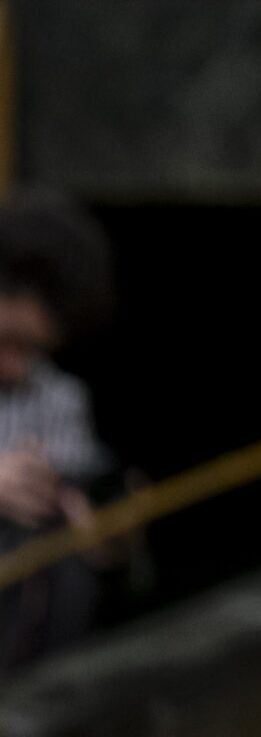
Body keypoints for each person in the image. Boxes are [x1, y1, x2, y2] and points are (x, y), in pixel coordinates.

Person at [0, 191, 116, 666]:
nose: (15, 367)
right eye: (8, 342)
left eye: (32, 351)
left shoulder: (60, 396)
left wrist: (99, 522)